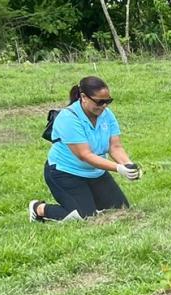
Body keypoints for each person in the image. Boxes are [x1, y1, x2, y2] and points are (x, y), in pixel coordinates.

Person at [29, 76, 139, 222]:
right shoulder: (68, 118)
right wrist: (118, 168)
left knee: (120, 210)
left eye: (108, 101)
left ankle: (88, 201)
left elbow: (115, 146)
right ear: (83, 97)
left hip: (95, 173)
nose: (104, 105)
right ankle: (38, 209)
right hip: (65, 173)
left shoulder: (106, 115)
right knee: (84, 217)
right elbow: (84, 155)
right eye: (99, 102)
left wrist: (129, 166)